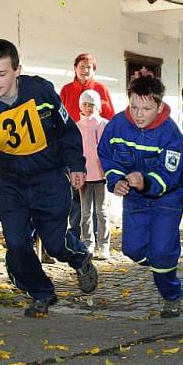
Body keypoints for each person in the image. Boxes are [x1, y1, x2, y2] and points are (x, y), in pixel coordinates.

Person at [0, 38, 98, 318]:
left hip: (49, 178)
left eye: (2, 74)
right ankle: (41, 292)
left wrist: (76, 164)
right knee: (16, 244)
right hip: (12, 183)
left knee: (55, 243)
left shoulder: (41, 92)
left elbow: (67, 131)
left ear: (17, 70)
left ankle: (79, 256)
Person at [98, 76, 183, 318]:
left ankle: (172, 295)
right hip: (135, 199)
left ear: (159, 107)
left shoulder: (171, 133)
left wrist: (146, 181)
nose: (138, 114)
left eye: (146, 109)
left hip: (167, 198)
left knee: (161, 253)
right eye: (134, 106)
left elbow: (170, 173)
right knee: (132, 249)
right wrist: (116, 181)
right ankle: (162, 263)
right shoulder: (117, 124)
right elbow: (106, 155)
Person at [60, 52, 115, 239]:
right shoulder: (66, 90)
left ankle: (99, 237)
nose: (85, 70)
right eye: (82, 66)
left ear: (94, 71)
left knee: (99, 203)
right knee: (76, 196)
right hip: (73, 150)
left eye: (89, 67)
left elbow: (111, 119)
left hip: (96, 154)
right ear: (75, 68)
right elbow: (60, 119)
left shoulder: (101, 89)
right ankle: (76, 234)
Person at [76, 89, 112, 260]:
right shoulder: (77, 126)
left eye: (91, 105)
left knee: (101, 211)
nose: (88, 108)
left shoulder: (103, 124)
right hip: (83, 174)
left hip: (99, 173)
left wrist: (107, 170)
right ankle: (87, 243)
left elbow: (106, 149)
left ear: (97, 106)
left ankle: (103, 245)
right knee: (85, 211)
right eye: (85, 104)